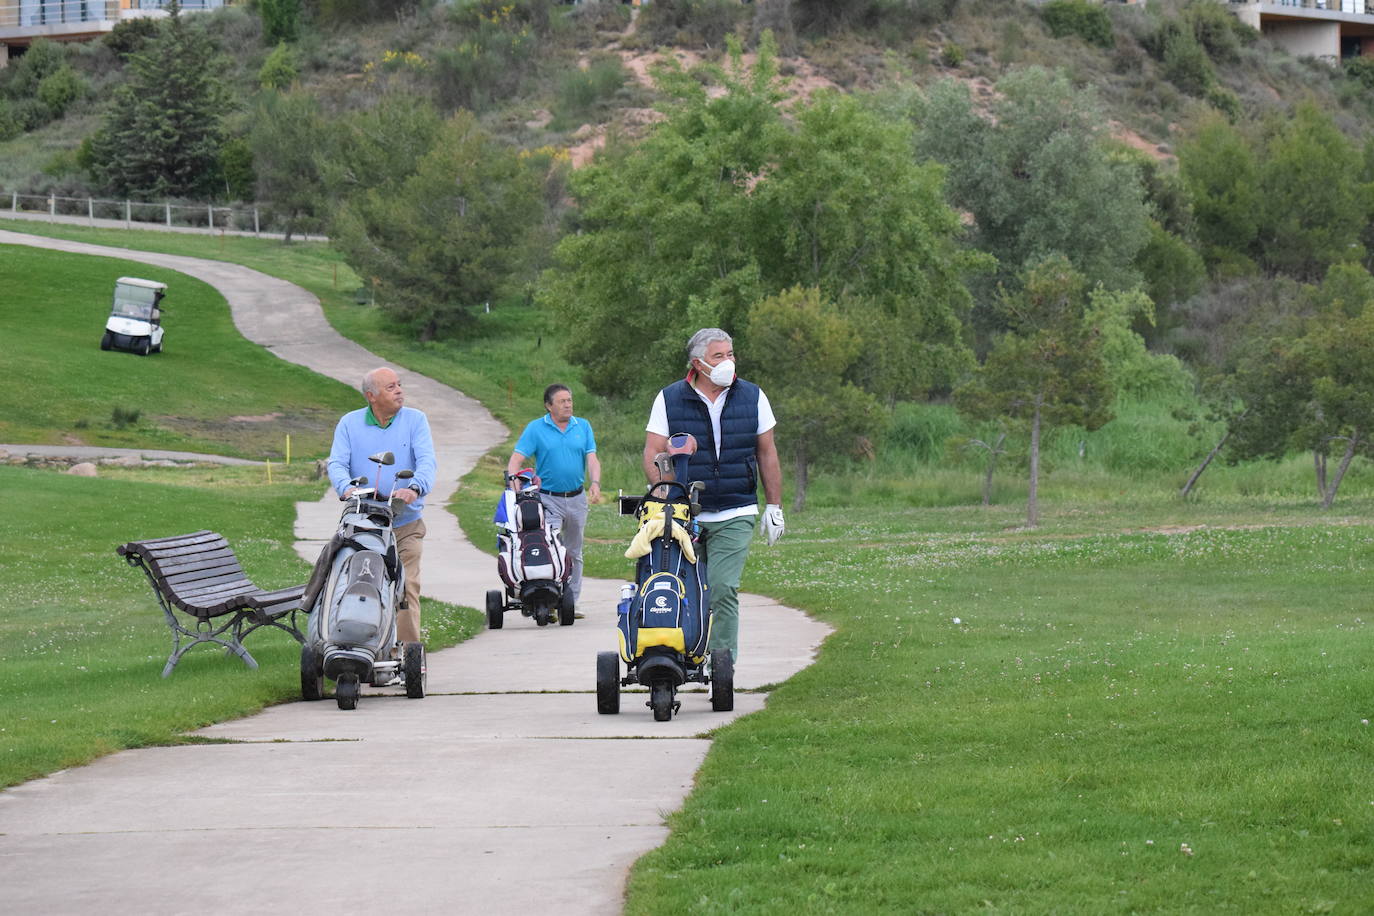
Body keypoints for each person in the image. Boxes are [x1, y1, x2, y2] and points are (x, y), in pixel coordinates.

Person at [642, 328, 783, 661]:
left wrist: (774, 506)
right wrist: (666, 493)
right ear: (698, 363)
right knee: (688, 589)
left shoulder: (753, 396)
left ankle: (722, 665)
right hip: (685, 514)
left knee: (722, 588)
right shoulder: (669, 398)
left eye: (731, 354)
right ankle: (685, 654)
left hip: (736, 509)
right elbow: (652, 450)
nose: (728, 362)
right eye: (719, 356)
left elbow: (767, 452)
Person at [327, 367, 436, 647]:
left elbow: (427, 461)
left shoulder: (415, 420)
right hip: (364, 522)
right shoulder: (350, 423)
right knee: (357, 584)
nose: (399, 390)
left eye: (399, 385)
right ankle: (357, 645)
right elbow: (337, 463)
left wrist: (414, 488)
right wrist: (347, 488)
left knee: (405, 587)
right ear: (371, 396)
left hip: (404, 523)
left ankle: (408, 655)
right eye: (390, 387)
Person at [506, 384, 601, 613]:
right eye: (562, 401)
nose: (568, 405)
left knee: (574, 552)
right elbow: (516, 459)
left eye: (569, 400)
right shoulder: (536, 428)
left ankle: (571, 602)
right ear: (549, 406)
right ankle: (548, 601)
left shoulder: (583, 426)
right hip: (548, 500)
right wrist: (513, 481)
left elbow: (592, 458)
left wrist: (595, 483)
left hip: (577, 498)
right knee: (552, 548)